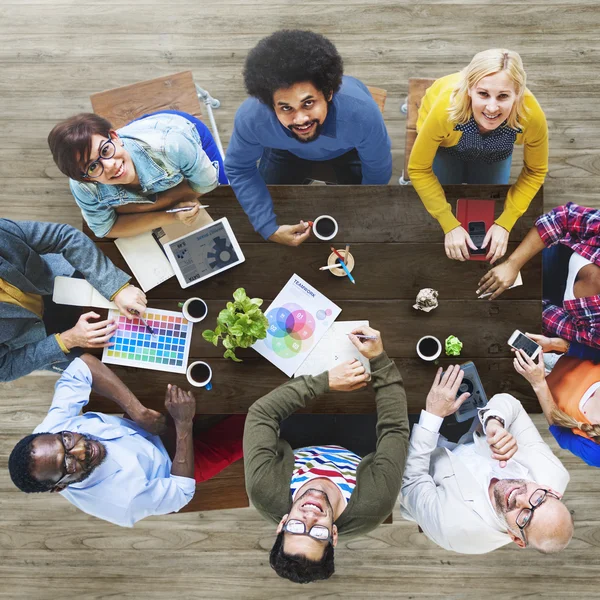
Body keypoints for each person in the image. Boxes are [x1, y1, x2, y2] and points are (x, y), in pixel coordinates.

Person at [243, 326, 408, 583]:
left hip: (304, 435)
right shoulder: (375, 505)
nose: (309, 517)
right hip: (362, 444)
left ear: (282, 524)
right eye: (317, 533)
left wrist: (325, 381)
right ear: (333, 535)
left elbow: (261, 414)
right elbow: (394, 429)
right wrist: (378, 358)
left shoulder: (263, 491)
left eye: (297, 528)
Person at [8, 353, 245, 527]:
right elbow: (180, 492)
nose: (82, 449)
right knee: (254, 425)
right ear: (60, 486)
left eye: (67, 439)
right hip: (178, 464)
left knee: (228, 378)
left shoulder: (49, 433)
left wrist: (137, 411)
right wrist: (184, 425)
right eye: (69, 464)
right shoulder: (122, 503)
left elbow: (83, 366)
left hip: (146, 420)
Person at [225, 29, 392, 247]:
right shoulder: (252, 119)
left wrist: (362, 207)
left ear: (329, 93)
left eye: (308, 103)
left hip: (347, 151)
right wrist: (268, 227)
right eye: (286, 107)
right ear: (269, 105)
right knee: (268, 207)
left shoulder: (362, 115)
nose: (301, 119)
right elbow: (239, 168)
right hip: (285, 152)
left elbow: (377, 169)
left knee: (357, 216)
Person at [400, 365, 572, 554]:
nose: (519, 497)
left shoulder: (454, 530)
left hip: (411, 460)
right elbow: (511, 405)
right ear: (550, 490)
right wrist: (495, 423)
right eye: (538, 499)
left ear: (516, 538)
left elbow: (412, 482)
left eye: (524, 518)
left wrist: (432, 415)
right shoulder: (553, 472)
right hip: (464, 429)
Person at [408, 49, 548, 263]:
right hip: (446, 144)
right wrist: (449, 224)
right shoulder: (445, 109)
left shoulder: (532, 116)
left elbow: (535, 171)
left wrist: (505, 222)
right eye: (483, 94)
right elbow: (418, 169)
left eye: (503, 96)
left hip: (495, 150)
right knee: (441, 196)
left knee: (487, 202)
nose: (492, 108)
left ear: (517, 94)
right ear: (469, 90)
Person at [0, 219, 146, 382]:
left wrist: (117, 288)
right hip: (39, 341)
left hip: (56, 278)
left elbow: (63, 236)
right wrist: (67, 340)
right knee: (99, 371)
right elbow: (4, 369)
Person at [48, 110, 226, 238]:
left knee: (224, 192)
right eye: (93, 167)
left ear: (114, 136)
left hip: (183, 133)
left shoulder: (172, 144)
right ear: (86, 177)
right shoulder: (82, 185)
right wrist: (171, 215)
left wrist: (137, 210)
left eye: (105, 150)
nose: (110, 166)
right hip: (146, 140)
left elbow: (207, 184)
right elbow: (105, 230)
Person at [477, 203, 600, 354]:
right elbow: (563, 217)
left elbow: (562, 324)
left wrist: (521, 300)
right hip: (537, 250)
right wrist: (512, 264)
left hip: (546, 303)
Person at [513, 346, 600, 467]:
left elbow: (561, 433)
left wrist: (539, 383)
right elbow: (594, 348)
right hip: (565, 355)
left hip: (544, 381)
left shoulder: (596, 454)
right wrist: (555, 344)